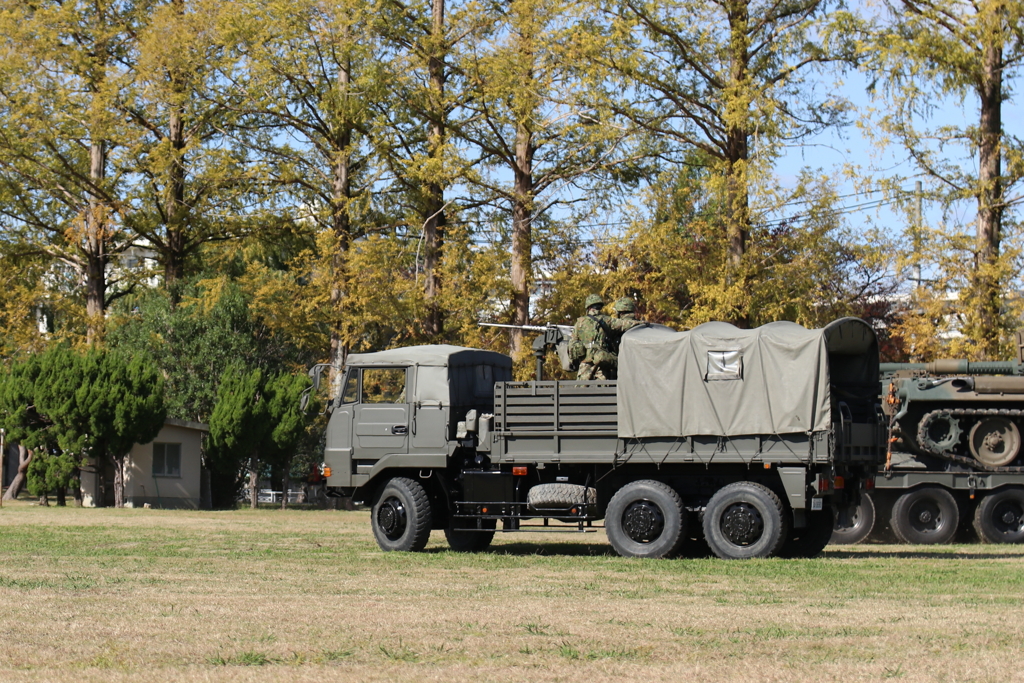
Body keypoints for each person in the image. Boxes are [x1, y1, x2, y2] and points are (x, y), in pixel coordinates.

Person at [569, 294, 641, 380]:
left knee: (581, 390)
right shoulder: (606, 320)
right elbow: (624, 324)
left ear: (588, 308)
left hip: (585, 363)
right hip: (601, 362)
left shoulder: (579, 323)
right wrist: (642, 323)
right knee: (603, 389)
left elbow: (572, 343)